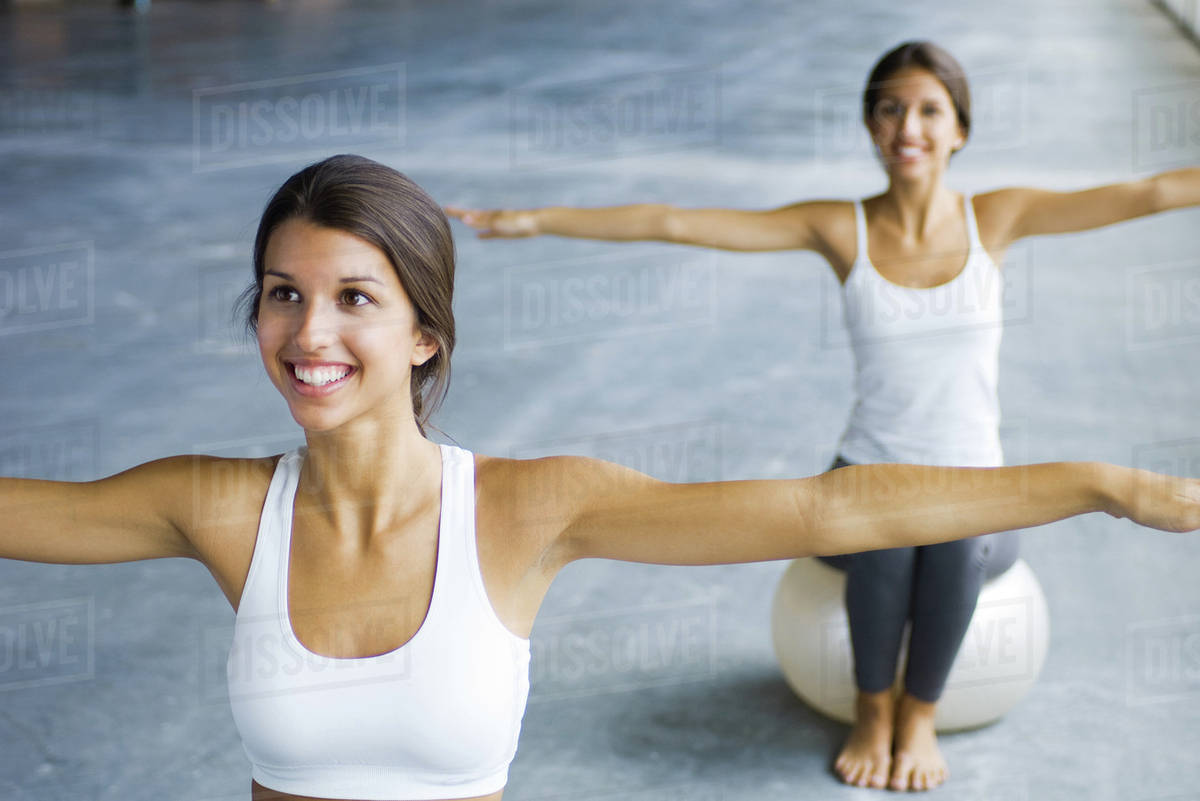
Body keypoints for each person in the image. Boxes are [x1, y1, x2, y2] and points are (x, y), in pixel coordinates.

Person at [1, 154, 1197, 801]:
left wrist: (1101, 483)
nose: (310, 332)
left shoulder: (525, 508)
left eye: (355, 297)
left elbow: (831, 507)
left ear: (426, 333)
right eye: (283, 293)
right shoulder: (217, 507)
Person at [444, 41, 1200, 792]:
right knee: (886, 530)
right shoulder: (842, 228)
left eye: (929, 109)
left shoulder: (997, 217)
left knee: (954, 536)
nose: (910, 125)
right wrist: (534, 218)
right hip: (868, 467)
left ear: (960, 129)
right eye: (891, 108)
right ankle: (873, 713)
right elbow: (677, 222)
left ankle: (922, 715)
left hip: (978, 483)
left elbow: (1152, 194)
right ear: (871, 126)